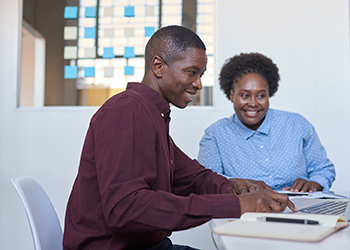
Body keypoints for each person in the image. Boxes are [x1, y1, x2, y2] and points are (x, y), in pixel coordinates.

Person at [63, 27, 296, 250]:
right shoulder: (128, 109)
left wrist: (235, 188)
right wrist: (237, 205)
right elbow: (126, 208)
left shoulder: (151, 114)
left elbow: (193, 178)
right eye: (191, 72)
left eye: (201, 75)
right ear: (158, 66)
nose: (198, 84)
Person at [198, 52, 335, 193]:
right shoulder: (215, 135)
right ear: (232, 95)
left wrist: (313, 184)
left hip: (297, 208)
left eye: (261, 96)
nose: (253, 103)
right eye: (245, 95)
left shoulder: (297, 125)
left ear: (269, 95)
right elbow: (208, 182)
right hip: (244, 211)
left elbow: (323, 169)